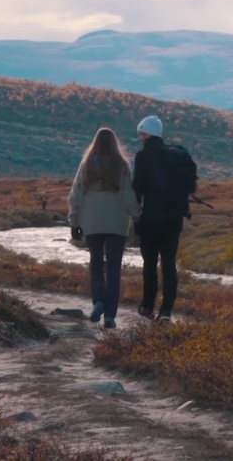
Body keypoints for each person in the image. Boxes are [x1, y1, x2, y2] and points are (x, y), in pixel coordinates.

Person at [68, 127, 142, 329]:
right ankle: (110, 315)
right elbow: (128, 196)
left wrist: (74, 221)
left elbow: (75, 195)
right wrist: (137, 217)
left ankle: (98, 300)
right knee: (114, 268)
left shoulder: (86, 166)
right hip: (117, 224)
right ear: (114, 143)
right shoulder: (122, 166)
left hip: (92, 223)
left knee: (95, 264)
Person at [132, 115, 186, 323]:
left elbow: (137, 189)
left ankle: (147, 306)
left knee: (150, 264)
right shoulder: (176, 155)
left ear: (147, 134)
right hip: (174, 220)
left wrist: (135, 216)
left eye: (141, 134)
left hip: (151, 218)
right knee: (169, 264)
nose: (140, 138)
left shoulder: (142, 156)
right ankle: (166, 311)